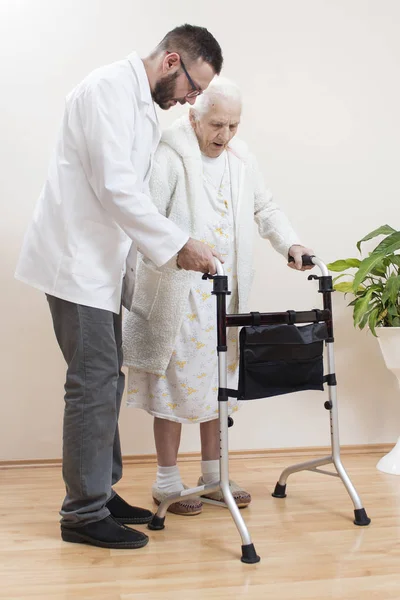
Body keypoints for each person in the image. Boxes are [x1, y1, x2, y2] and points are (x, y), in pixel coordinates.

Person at [15, 25, 224, 549]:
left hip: (100, 268)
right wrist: (180, 246)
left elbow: (133, 196)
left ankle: (100, 493)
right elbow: (114, 187)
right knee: (92, 382)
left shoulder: (142, 107)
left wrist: (173, 244)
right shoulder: (105, 89)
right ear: (171, 59)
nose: (190, 102)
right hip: (74, 262)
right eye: (193, 89)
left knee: (107, 380)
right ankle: (82, 514)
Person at [123, 77, 314, 516]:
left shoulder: (242, 160)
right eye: (215, 125)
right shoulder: (167, 155)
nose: (223, 135)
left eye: (233, 125)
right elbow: (145, 218)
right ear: (192, 118)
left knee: (218, 385)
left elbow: (265, 208)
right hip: (177, 293)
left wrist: (291, 244)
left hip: (225, 295)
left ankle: (213, 475)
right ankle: (167, 479)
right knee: (172, 385)